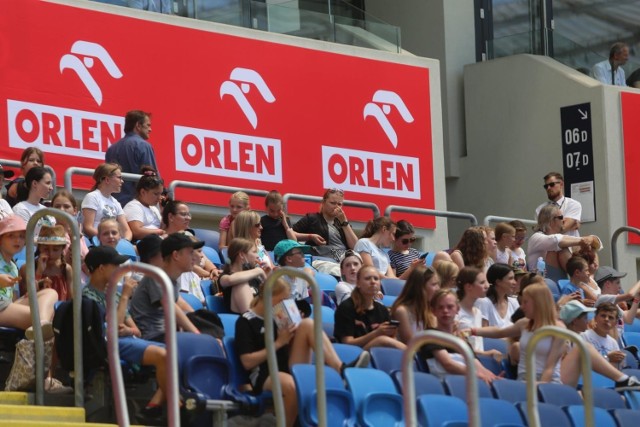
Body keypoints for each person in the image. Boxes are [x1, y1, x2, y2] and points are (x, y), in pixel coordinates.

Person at [235, 278, 370, 427]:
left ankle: (340, 370)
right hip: (264, 374)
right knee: (292, 385)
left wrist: (295, 329)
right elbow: (247, 362)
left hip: (285, 366)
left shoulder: (278, 316)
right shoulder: (246, 321)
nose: (285, 304)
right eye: (283, 300)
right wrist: (279, 342)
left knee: (308, 324)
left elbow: (288, 346)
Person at [473, 284, 640, 390]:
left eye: (526, 302)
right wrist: (473, 331)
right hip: (527, 381)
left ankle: (622, 379)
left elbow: (550, 367)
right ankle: (623, 379)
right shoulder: (524, 323)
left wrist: (544, 387)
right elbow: (499, 332)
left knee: (584, 348)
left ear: (539, 303)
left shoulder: (558, 328)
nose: (522, 306)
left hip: (551, 382)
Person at [82, 245, 169, 423]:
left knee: (177, 354)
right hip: (108, 346)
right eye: (115, 265)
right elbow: (112, 331)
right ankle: (169, 406)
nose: (120, 270)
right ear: (101, 268)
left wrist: (127, 330)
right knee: (164, 355)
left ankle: (156, 406)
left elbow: (135, 330)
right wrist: (125, 297)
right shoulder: (87, 297)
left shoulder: (112, 294)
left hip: (126, 341)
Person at [129, 233, 201, 341]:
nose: (194, 257)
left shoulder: (174, 282)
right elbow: (170, 306)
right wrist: (197, 333)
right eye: (190, 253)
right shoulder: (156, 276)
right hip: (152, 337)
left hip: (166, 335)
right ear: (176, 255)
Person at [418, 288, 499, 384]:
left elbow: (477, 365)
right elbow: (448, 364)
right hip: (447, 385)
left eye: (450, 307)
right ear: (433, 311)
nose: (445, 311)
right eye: (440, 307)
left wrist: (492, 378)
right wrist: (478, 375)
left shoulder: (462, 342)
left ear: (457, 309)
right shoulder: (431, 335)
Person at [333, 265, 406, 350]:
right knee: (382, 340)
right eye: (367, 279)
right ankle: (413, 354)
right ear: (358, 283)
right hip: (354, 354)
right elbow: (347, 343)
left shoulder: (382, 310)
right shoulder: (346, 307)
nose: (373, 282)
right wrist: (376, 333)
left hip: (379, 354)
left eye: (376, 279)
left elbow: (392, 340)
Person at [527, 204, 599, 282]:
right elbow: (556, 241)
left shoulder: (562, 238)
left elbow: (598, 243)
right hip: (542, 283)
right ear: (551, 220)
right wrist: (583, 241)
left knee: (587, 248)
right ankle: (581, 280)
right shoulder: (536, 237)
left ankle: (584, 279)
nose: (564, 220)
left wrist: (590, 240)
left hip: (558, 282)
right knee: (562, 247)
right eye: (561, 217)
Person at [292, 189, 358, 272]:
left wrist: (344, 222)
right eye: (332, 203)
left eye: (339, 204)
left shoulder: (342, 223)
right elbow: (290, 233)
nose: (336, 207)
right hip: (323, 261)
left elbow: (356, 246)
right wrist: (310, 237)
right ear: (323, 202)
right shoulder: (312, 219)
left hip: (344, 261)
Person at [105, 110, 159, 206]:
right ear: (138, 125)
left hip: (114, 205)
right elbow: (152, 179)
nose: (150, 129)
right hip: (136, 206)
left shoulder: (111, 149)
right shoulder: (144, 145)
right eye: (148, 125)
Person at [455, 267, 503, 359]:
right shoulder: (456, 313)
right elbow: (458, 348)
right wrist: (486, 354)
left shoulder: (478, 312)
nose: (487, 286)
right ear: (468, 286)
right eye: (482, 283)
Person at [19, 225, 73, 301]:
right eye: (46, 249)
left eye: (55, 250)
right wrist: (39, 273)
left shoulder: (66, 269)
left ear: (63, 249)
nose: (51, 254)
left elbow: (71, 299)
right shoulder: (27, 268)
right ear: (39, 247)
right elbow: (26, 297)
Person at [81, 163, 132, 241]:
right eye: (119, 178)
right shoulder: (92, 197)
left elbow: (127, 231)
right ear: (107, 180)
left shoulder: (116, 202)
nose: (122, 181)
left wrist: (125, 243)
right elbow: (88, 227)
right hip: (97, 243)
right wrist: (108, 239)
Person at [390, 265, 439, 344]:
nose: (438, 289)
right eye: (434, 285)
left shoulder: (431, 308)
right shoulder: (402, 311)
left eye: (437, 284)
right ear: (420, 287)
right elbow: (411, 343)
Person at [388, 220, 452, 279]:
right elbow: (394, 281)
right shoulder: (391, 256)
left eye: (412, 240)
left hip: (421, 282)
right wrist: (411, 268)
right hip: (408, 285)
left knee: (442, 256)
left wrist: (422, 267)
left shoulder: (414, 252)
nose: (409, 244)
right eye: (405, 241)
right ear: (395, 239)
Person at [219, 238, 269, 314]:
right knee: (241, 283)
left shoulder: (254, 276)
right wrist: (258, 271)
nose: (257, 256)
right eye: (254, 252)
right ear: (242, 255)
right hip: (247, 320)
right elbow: (230, 280)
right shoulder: (225, 276)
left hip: (264, 315)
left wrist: (267, 275)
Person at [123, 167, 165, 241]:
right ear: (143, 192)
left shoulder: (154, 209)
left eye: (160, 194)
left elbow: (163, 228)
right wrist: (159, 232)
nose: (159, 198)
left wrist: (164, 212)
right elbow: (136, 232)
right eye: (156, 194)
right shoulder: (133, 206)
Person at [273, 240, 314, 314]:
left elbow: (310, 271)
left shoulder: (300, 276)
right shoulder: (278, 280)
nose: (303, 255)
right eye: (300, 253)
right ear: (289, 259)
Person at [535, 172, 582, 237]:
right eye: (546, 186)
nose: (548, 188)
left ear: (561, 184)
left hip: (570, 246)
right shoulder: (540, 209)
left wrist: (549, 226)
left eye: (552, 184)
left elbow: (563, 228)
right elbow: (542, 232)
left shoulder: (573, 204)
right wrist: (571, 225)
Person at [475, 263, 520, 328]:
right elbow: (483, 332)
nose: (515, 282)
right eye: (510, 278)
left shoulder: (514, 302)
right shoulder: (483, 302)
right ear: (498, 281)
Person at [582, 302, 625, 369]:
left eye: (611, 317)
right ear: (595, 318)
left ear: (615, 323)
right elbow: (582, 363)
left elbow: (618, 368)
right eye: (603, 316)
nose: (606, 319)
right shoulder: (584, 336)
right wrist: (607, 357)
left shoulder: (613, 343)